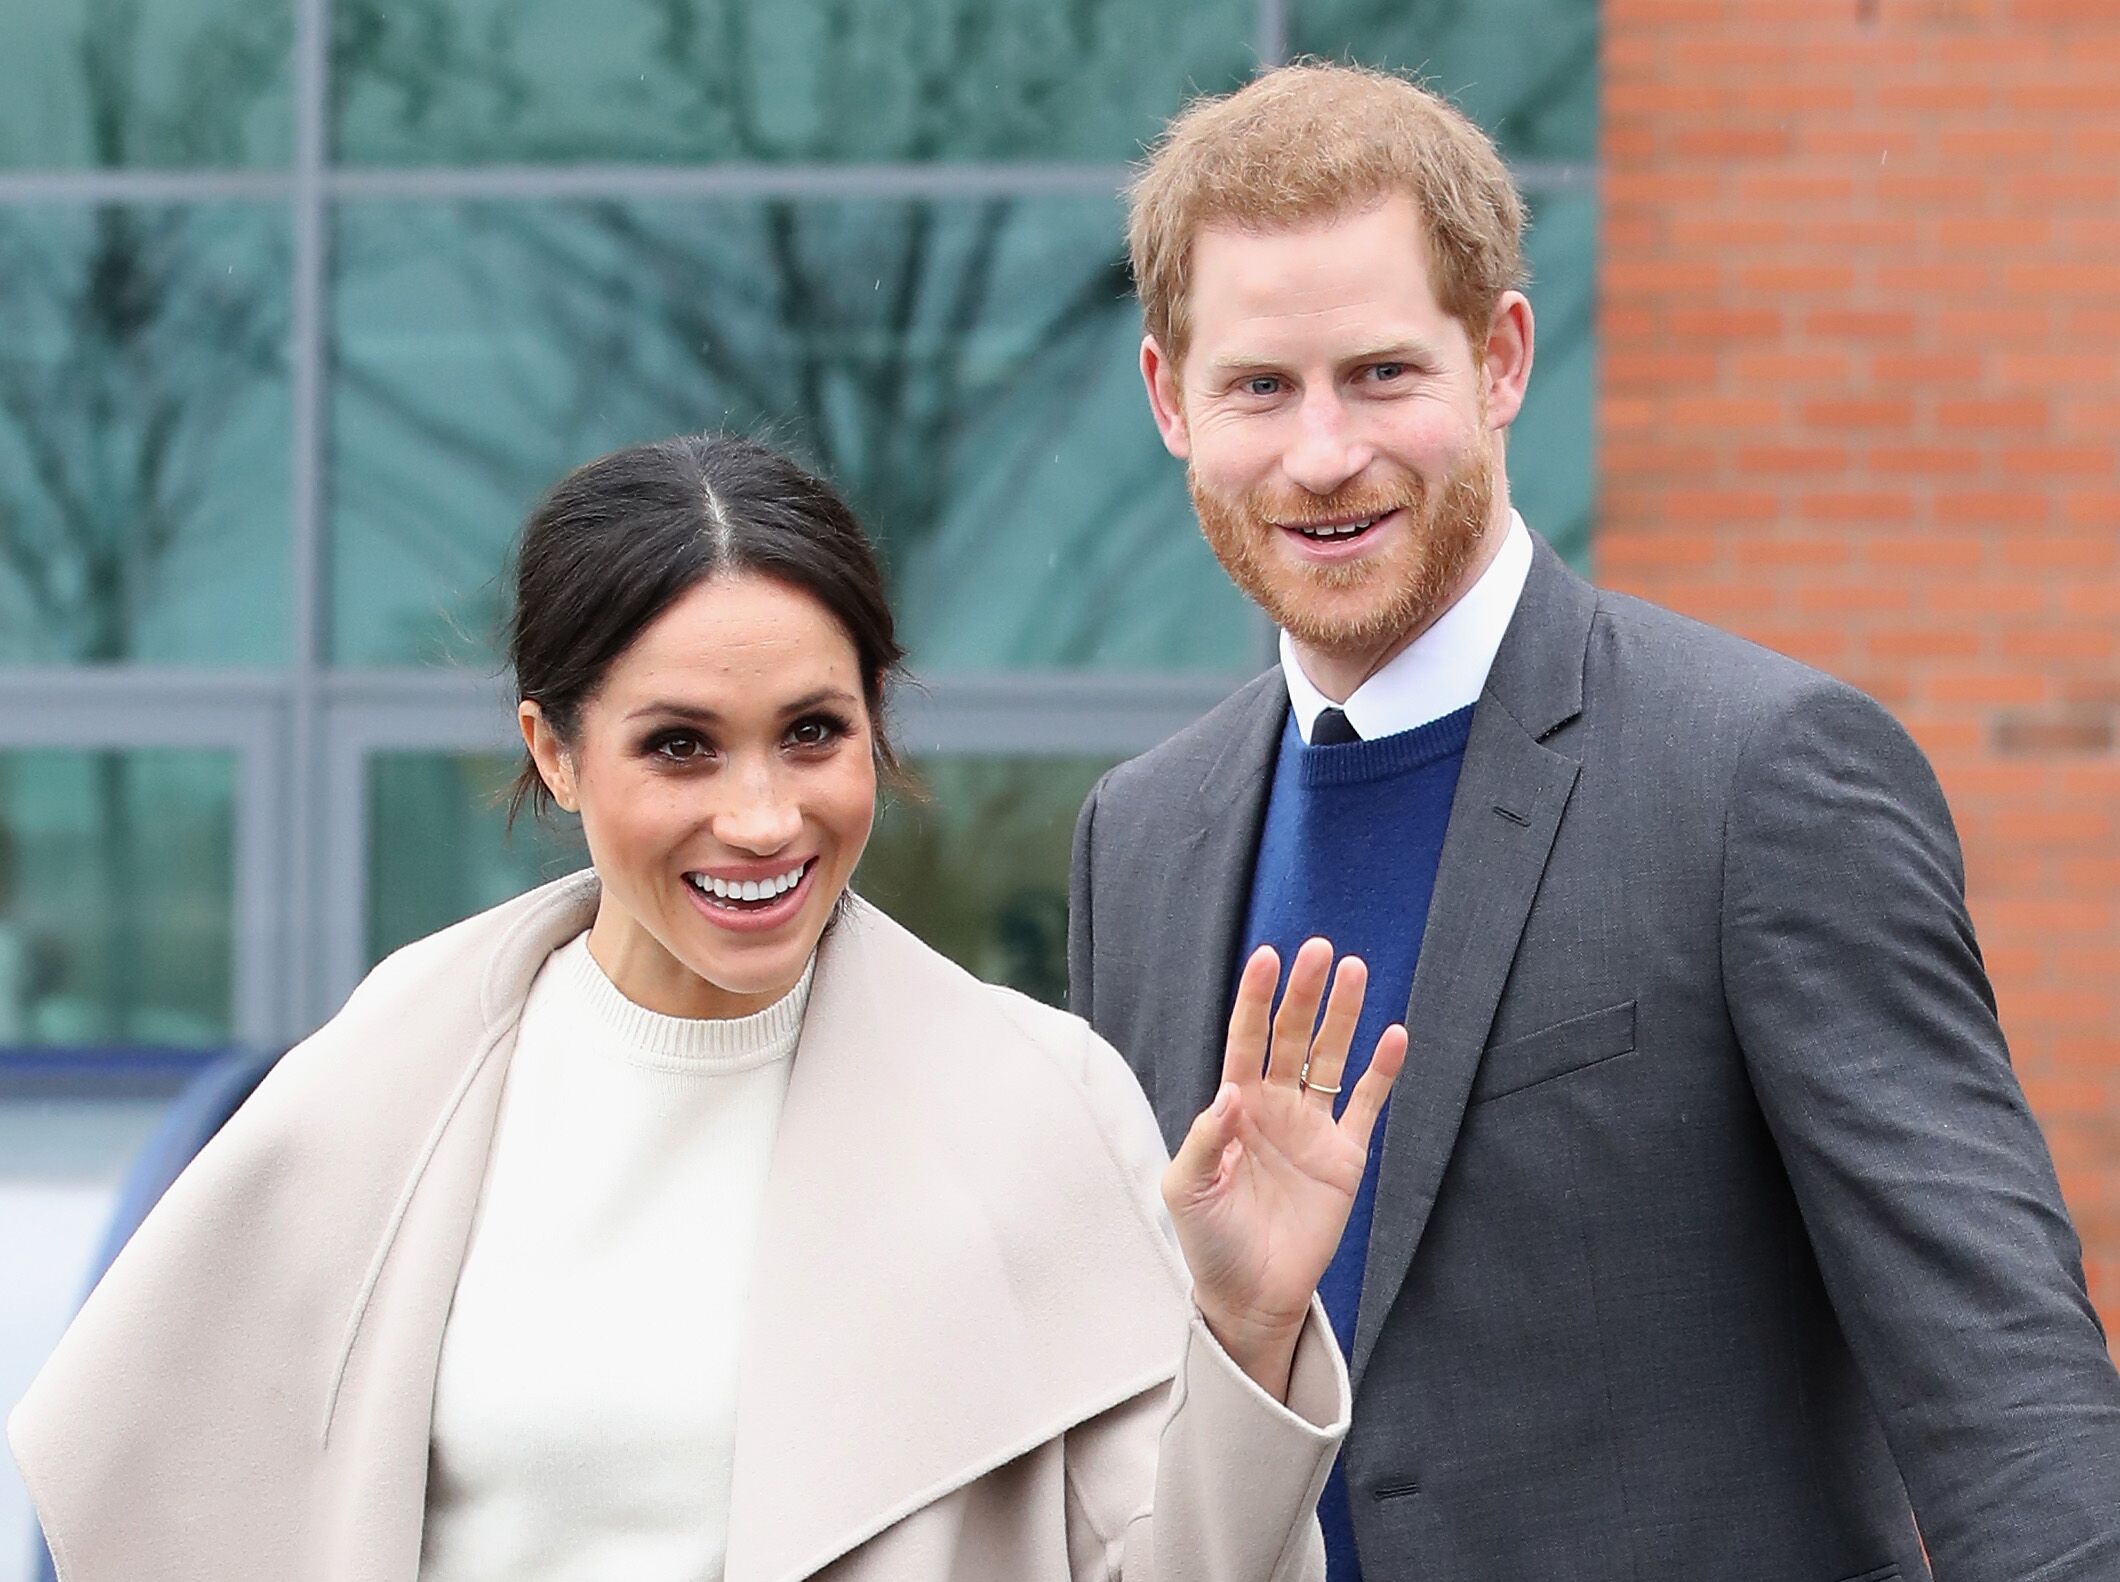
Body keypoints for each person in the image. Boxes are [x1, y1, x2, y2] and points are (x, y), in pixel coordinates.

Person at [10, 433, 1407, 1582]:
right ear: (551, 752)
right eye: (680, 745)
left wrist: (1248, 1332)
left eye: (815, 730)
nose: (762, 815)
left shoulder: (1041, 1099)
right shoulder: (393, 1072)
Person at [1068, 61, 2120, 1582]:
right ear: (1172, 399)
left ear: (1501, 361)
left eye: (1381, 373)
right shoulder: (1140, 837)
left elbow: (2001, 1370)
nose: (1319, 454)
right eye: (1258, 387)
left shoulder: (1759, 773)